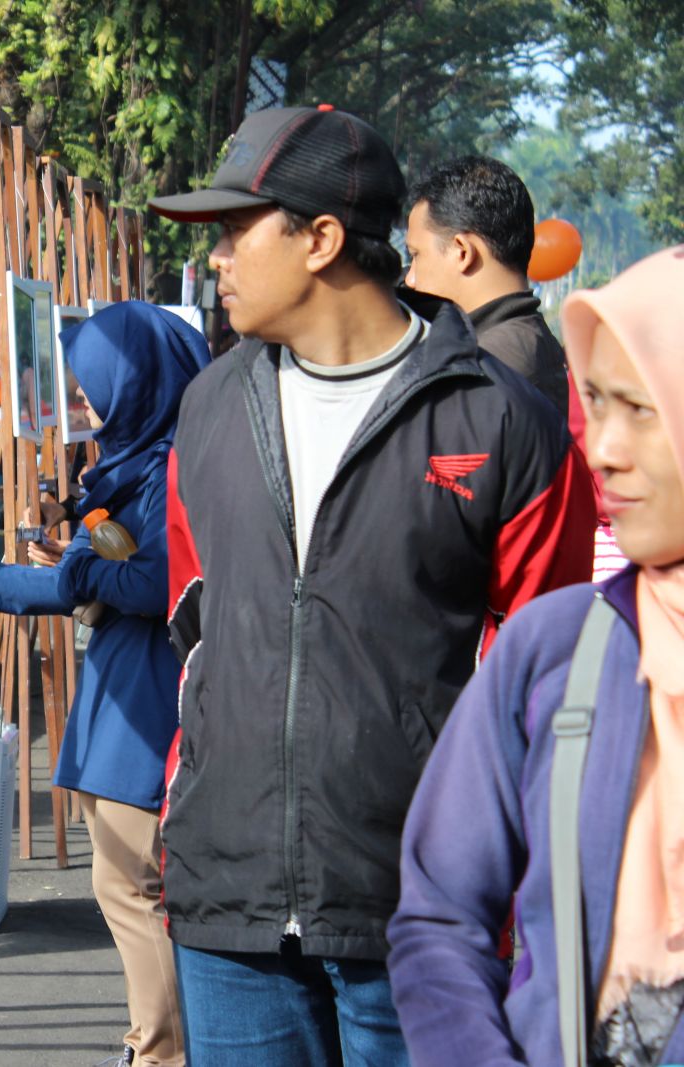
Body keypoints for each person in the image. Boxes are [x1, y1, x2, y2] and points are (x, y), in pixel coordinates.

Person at [146, 105, 597, 1065]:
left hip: (422, 920)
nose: (216, 260)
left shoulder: (504, 421)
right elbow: (194, 629)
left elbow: (549, 688)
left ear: (320, 239)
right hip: (229, 909)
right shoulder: (209, 408)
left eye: (234, 230)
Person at [388, 246, 684, 1067]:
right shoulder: (558, 648)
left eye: (644, 409)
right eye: (596, 406)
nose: (603, 451)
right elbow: (440, 914)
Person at [0, 301, 207, 1067]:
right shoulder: (145, 456)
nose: (86, 403)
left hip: (150, 698)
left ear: (139, 383)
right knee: (130, 885)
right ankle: (158, 1040)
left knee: (132, 887)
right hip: (131, 686)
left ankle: (160, 1049)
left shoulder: (171, 467)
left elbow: (154, 577)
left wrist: (58, 569)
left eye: (96, 385)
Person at [404, 155, 569, 419]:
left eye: (416, 255)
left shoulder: (486, 365)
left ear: (462, 252)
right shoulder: (521, 340)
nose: (410, 279)